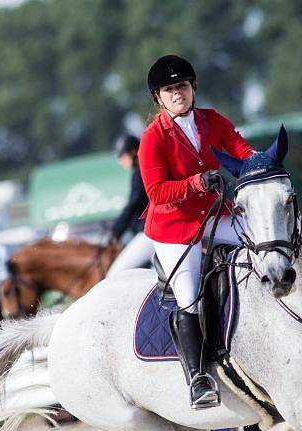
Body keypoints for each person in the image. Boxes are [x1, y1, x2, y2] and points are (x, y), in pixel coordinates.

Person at [137, 54, 255, 410]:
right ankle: (198, 377)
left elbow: (241, 150)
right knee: (189, 296)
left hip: (217, 214)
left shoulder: (212, 120)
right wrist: (198, 181)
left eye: (183, 87)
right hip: (176, 228)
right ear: (159, 97)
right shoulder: (152, 138)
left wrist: (260, 164)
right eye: (170, 90)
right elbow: (157, 192)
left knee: (264, 247)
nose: (178, 94)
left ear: (193, 89)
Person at [104, 134, 155, 277]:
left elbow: (133, 205)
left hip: (149, 232)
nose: (120, 161)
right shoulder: (142, 169)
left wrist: (115, 232)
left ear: (133, 152)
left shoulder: (141, 171)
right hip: (148, 228)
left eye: (122, 156)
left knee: (114, 275)